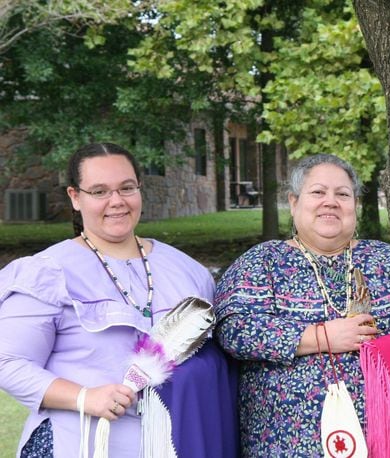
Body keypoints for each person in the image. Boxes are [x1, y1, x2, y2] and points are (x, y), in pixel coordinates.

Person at [0, 143, 238, 458]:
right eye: (99, 191)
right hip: (81, 442)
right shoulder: (46, 273)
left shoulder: (188, 271)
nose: (117, 201)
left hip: (176, 444)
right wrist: (84, 397)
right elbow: (9, 364)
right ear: (75, 196)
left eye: (127, 188)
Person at [214, 153, 390, 456]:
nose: (330, 202)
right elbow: (234, 331)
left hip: (386, 436)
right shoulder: (262, 261)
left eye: (342, 194)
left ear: (354, 205)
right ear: (293, 202)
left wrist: (388, 350)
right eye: (318, 192)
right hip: (285, 441)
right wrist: (322, 337)